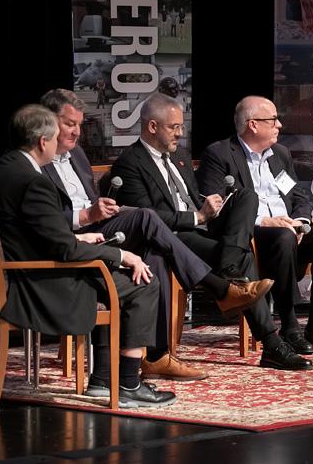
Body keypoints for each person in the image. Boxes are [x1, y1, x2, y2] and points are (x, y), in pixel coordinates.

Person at [38, 89, 272, 381]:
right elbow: (44, 220)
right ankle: (224, 290)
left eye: (79, 125)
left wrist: (206, 208)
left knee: (241, 204)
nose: (77, 131)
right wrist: (87, 215)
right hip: (87, 237)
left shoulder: (77, 155)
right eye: (69, 124)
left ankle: (159, 355)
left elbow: (188, 196)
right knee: (148, 220)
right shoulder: (40, 164)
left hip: (132, 230)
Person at [0, 104, 173, 407]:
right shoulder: (34, 182)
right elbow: (65, 251)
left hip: (14, 273)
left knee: (111, 277)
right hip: (38, 284)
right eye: (57, 136)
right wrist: (121, 255)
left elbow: (29, 231)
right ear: (43, 141)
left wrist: (78, 237)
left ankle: (103, 379)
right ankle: (128, 384)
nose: (60, 142)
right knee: (143, 283)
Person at [111, 93, 312, 371]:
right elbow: (147, 217)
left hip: (203, 229)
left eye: (181, 126)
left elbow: (195, 197)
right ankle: (271, 344)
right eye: (174, 127)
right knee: (244, 257)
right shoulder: (130, 162)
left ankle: (230, 270)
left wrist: (210, 205)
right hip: (172, 237)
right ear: (152, 126)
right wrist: (196, 216)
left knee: (246, 197)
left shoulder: (179, 156)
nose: (180, 134)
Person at [197, 96, 313, 356]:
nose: (279, 125)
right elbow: (217, 210)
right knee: (283, 236)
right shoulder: (219, 154)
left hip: (290, 231)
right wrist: (264, 221)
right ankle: (289, 326)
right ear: (253, 124)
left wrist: (301, 222)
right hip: (253, 237)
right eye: (273, 120)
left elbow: (299, 196)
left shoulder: (280, 154)